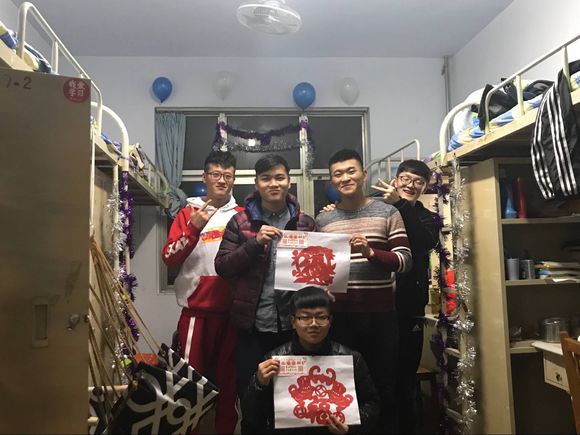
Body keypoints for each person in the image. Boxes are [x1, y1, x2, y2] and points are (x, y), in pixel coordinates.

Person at [214, 154, 317, 432]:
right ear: (257, 183)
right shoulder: (240, 222)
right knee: (252, 401)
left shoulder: (305, 223)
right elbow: (222, 266)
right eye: (266, 178)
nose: (274, 184)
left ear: (289, 181)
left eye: (279, 177)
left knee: (292, 403)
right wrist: (254, 244)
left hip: (294, 328)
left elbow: (316, 271)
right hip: (252, 326)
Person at [316, 148, 412, 432]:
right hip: (340, 318)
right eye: (338, 174)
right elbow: (320, 268)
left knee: (384, 386)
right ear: (332, 181)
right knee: (344, 387)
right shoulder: (324, 220)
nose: (345, 178)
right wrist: (322, 288)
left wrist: (371, 253)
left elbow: (405, 261)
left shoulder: (388, 212)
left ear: (363, 174)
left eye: (351, 171)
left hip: (380, 317)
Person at [161, 150, 242, 434]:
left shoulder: (242, 216)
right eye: (216, 174)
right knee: (189, 387)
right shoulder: (187, 213)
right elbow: (170, 258)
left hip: (233, 315)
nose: (222, 180)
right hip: (196, 314)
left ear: (233, 179)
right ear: (204, 177)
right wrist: (193, 229)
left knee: (230, 386)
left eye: (228, 176)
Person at [242, 286, 380, 434]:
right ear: (293, 321)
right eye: (305, 317)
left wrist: (350, 427)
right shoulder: (274, 360)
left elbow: (372, 404)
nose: (313, 324)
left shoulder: (351, 359)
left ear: (330, 321)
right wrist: (259, 383)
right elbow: (251, 415)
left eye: (321, 317)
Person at [371, 160, 440, 433]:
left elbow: (424, 242)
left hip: (409, 307)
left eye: (418, 182)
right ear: (396, 179)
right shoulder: (376, 207)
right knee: (377, 373)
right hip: (375, 305)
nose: (411, 185)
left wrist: (400, 205)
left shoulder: (426, 217)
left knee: (405, 377)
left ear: (425, 187)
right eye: (406, 179)